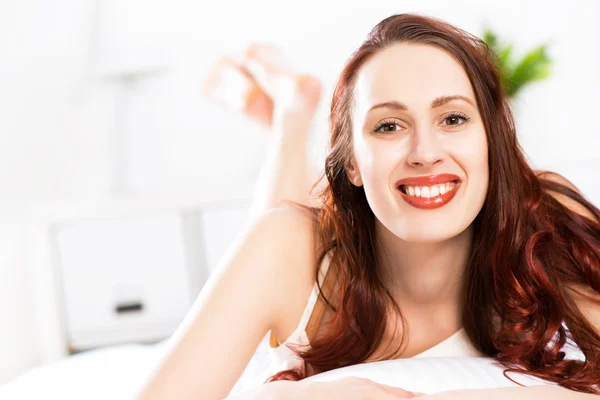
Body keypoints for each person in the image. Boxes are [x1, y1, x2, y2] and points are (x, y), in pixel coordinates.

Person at [135, 13, 600, 399]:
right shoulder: (288, 251)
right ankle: (292, 114)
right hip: (313, 252)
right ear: (352, 162)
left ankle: (297, 109)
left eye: (452, 118)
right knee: (281, 222)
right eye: (389, 126)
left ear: (491, 141)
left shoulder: (545, 222)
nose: (425, 150)